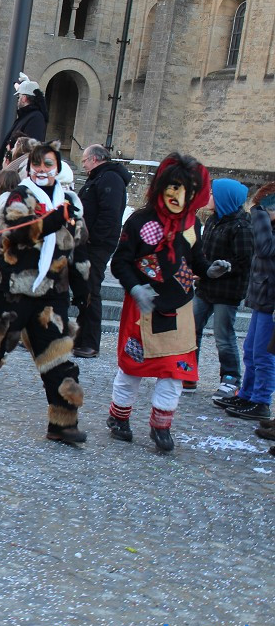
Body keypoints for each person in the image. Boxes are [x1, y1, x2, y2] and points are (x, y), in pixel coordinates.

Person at [0, 144, 90, 445]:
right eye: (37, 164)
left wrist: (84, 290)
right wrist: (54, 219)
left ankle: (63, 422)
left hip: (51, 292)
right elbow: (16, 232)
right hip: (10, 290)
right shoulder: (17, 196)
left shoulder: (71, 201)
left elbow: (79, 246)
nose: (43, 169)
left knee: (58, 358)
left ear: (58, 168)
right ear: (29, 168)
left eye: (49, 163)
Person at [107, 154, 214, 451]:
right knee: (132, 368)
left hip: (178, 308)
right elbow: (121, 262)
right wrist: (135, 287)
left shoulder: (192, 226)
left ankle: (162, 426)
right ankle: (119, 417)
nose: (177, 195)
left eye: (186, 190)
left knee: (175, 372)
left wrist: (209, 269)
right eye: (174, 187)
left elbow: (195, 260)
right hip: (143, 308)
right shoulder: (141, 221)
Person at [215, 182, 275, 422]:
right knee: (251, 350)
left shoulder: (264, 224)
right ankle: (248, 395)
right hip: (262, 297)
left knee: (263, 355)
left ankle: (261, 402)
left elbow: (264, 248)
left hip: (271, 301)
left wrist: (258, 214)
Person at [189, 178, 251, 397]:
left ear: (225, 198)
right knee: (191, 328)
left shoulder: (241, 226)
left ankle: (231, 378)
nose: (209, 197)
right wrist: (202, 269)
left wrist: (222, 269)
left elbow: (244, 261)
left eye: (213, 194)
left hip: (227, 292)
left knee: (223, 336)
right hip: (206, 287)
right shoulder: (215, 220)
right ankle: (188, 372)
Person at [72, 144, 130, 358]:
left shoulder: (109, 179)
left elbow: (109, 214)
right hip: (87, 242)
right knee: (83, 288)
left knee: (90, 289)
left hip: (96, 245)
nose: (83, 164)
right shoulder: (97, 177)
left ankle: (90, 342)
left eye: (85, 160)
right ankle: (81, 336)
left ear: (95, 159)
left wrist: (92, 239)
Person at [0, 73, 48, 185]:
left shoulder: (35, 118)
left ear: (25, 98)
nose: (18, 100)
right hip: (12, 170)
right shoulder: (28, 116)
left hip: (16, 174)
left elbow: (28, 149)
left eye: (19, 96)